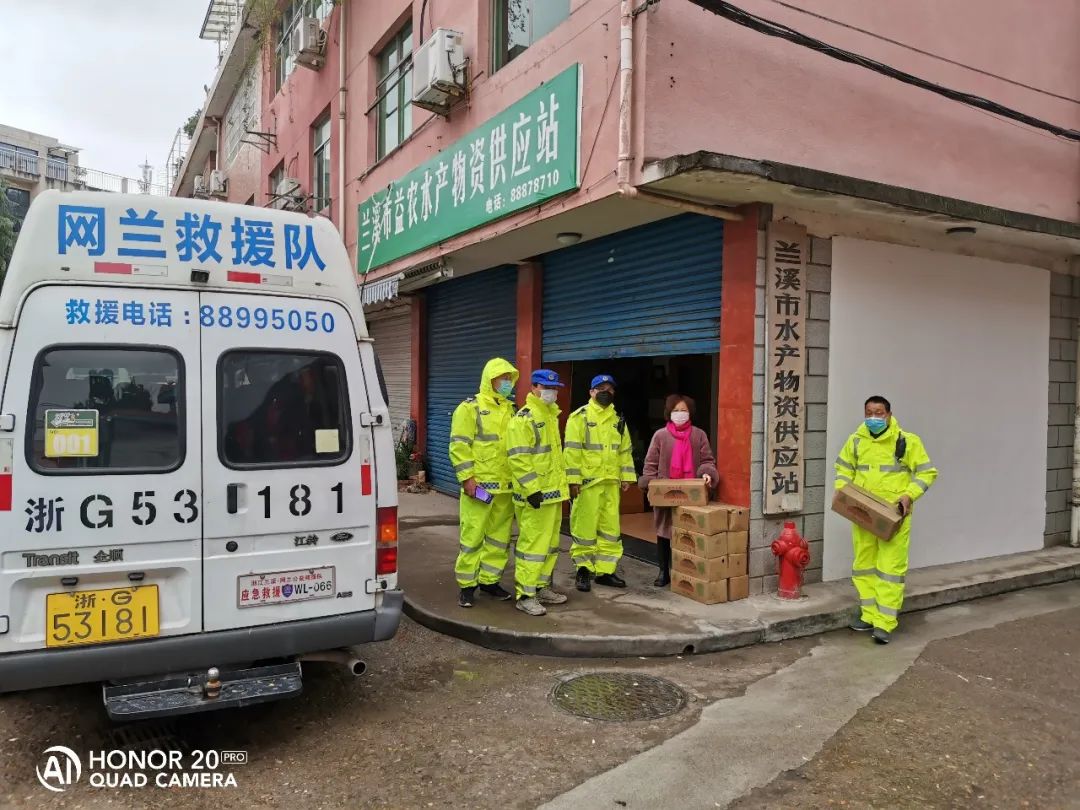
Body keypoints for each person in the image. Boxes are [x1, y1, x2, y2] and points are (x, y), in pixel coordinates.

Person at [834, 395, 938, 644]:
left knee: (890, 569)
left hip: (893, 516)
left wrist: (909, 495)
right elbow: (843, 469)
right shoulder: (856, 441)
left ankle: (884, 623)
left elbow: (927, 473)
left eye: (879, 413)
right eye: (869, 412)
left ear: (889, 415)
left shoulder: (907, 441)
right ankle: (868, 615)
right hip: (864, 513)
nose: (873, 417)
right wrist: (843, 492)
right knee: (864, 565)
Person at [449, 358, 519, 608]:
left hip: (506, 487)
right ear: (490, 380)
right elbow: (459, 445)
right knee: (473, 536)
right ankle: (467, 586)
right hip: (478, 487)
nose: (507, 384)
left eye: (510, 379)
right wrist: (467, 478)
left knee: (499, 539)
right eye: (503, 378)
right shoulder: (470, 408)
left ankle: (490, 581)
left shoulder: (512, 410)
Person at [506, 369, 570, 616]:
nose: (551, 392)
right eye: (545, 387)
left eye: (554, 388)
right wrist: (532, 489)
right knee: (532, 546)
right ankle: (526, 594)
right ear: (533, 387)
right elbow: (519, 458)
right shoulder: (525, 418)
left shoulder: (551, 416)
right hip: (535, 496)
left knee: (550, 545)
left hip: (552, 495)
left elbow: (553, 459)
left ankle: (542, 587)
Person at [565, 374, 637, 592]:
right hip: (588, 484)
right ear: (591, 392)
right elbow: (571, 451)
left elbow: (624, 451)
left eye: (610, 389)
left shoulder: (618, 420)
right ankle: (583, 570)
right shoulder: (580, 417)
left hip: (610, 484)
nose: (606, 392)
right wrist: (573, 480)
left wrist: (626, 477)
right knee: (584, 528)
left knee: (610, 529)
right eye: (600, 388)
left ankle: (606, 571)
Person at [639, 395, 719, 587]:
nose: (680, 414)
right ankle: (663, 572)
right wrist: (650, 483)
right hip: (667, 493)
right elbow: (650, 464)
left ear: (690, 413)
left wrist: (707, 474)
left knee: (689, 533)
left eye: (683, 410)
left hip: (692, 493)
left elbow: (708, 460)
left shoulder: (699, 435)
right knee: (664, 532)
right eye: (676, 411)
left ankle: (685, 572)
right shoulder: (660, 435)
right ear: (669, 413)